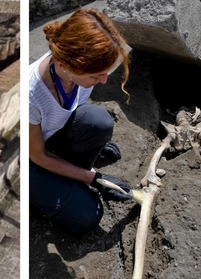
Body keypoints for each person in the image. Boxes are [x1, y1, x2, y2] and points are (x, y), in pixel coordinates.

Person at [29, 8, 133, 234]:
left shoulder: (74, 73)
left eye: (105, 72)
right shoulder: (30, 97)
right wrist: (93, 178)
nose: (104, 80)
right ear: (64, 66)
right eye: (96, 75)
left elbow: (71, 111)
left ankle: (64, 179)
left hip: (46, 138)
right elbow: (36, 155)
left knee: (99, 123)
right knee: (87, 216)